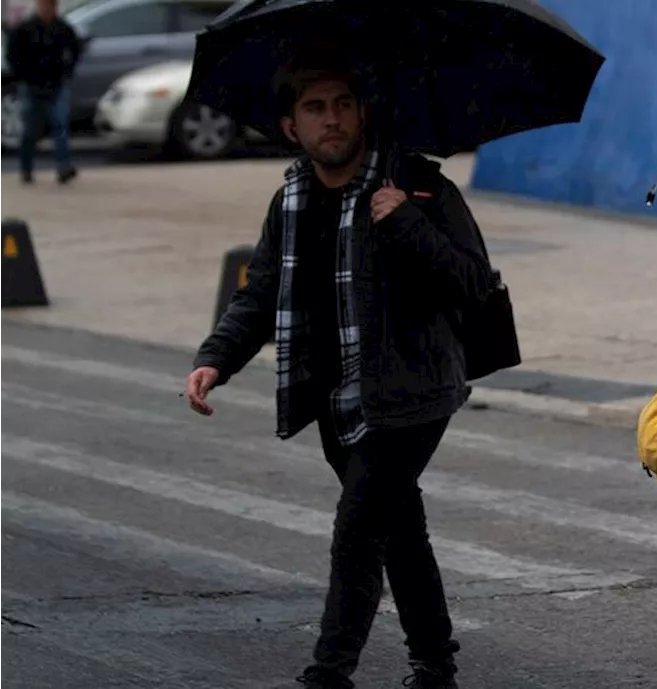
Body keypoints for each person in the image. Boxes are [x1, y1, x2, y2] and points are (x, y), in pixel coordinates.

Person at [184, 44, 496, 689]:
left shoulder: (417, 184)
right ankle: (435, 662)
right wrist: (216, 359)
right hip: (330, 395)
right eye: (315, 108)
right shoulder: (291, 198)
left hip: (411, 393)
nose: (333, 120)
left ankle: (328, 674)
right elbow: (261, 290)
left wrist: (408, 222)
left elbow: (473, 284)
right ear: (291, 126)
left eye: (344, 105)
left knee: (358, 531)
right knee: (398, 528)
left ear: (363, 113)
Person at [4, 0, 81, 184]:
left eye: (51, 6)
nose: (48, 10)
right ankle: (26, 169)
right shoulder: (25, 29)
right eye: (45, 6)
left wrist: (67, 71)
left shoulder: (62, 28)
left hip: (56, 84)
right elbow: (12, 55)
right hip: (32, 85)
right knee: (30, 130)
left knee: (60, 124)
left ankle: (63, 167)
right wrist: (23, 74)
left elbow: (75, 49)